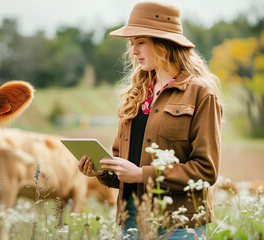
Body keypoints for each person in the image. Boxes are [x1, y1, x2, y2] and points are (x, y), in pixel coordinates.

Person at [77, 1, 223, 239]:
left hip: (181, 222)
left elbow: (206, 171)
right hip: (131, 218)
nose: (133, 51)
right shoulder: (135, 96)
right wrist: (100, 170)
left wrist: (142, 175)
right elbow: (123, 165)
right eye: (131, 44)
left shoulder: (200, 93)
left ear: (164, 42)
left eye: (140, 42)